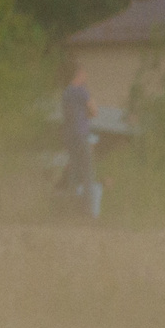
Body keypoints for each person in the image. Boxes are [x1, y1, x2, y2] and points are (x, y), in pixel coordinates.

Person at [61, 64, 100, 220]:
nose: (86, 78)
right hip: (81, 135)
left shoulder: (66, 93)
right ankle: (88, 213)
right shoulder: (82, 91)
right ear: (79, 74)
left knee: (74, 172)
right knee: (88, 173)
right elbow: (94, 110)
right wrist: (87, 115)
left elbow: (67, 115)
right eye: (85, 74)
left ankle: (69, 211)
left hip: (69, 136)